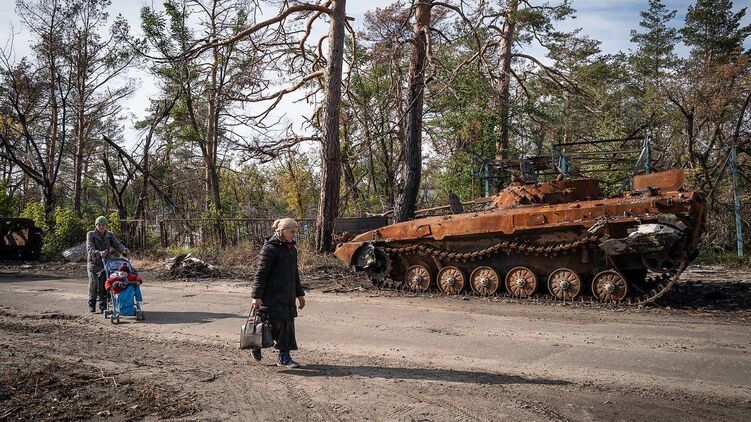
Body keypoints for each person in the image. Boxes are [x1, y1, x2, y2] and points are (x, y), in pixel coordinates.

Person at [250, 218, 306, 368]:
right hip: (271, 297)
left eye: (295, 232)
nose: (294, 235)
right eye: (291, 232)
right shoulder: (270, 248)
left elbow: (295, 274)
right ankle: (256, 344)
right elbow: (261, 273)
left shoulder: (291, 249)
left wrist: (300, 294)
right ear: (281, 231)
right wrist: (256, 296)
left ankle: (284, 358)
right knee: (273, 327)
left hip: (287, 298)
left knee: (287, 327)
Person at [86, 216, 129, 313]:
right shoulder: (91, 234)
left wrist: (123, 250)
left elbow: (117, 244)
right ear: (96, 225)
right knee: (93, 283)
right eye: (99, 225)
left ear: (106, 226)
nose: (101, 227)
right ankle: (91, 303)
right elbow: (89, 248)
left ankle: (103, 305)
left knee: (103, 284)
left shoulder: (109, 235)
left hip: (106, 264)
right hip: (93, 263)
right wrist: (99, 253)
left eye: (103, 225)